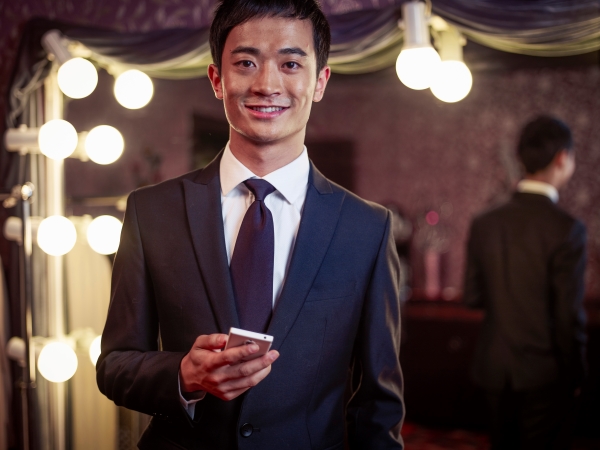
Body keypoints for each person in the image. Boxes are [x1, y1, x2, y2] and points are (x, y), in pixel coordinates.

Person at [96, 0, 405, 448]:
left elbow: (379, 404)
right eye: (246, 62)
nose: (267, 84)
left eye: (290, 63)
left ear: (319, 82)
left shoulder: (367, 228)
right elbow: (115, 365)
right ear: (217, 80)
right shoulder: (152, 211)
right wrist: (183, 374)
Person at [463, 115, 587, 450]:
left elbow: (472, 296)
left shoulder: (485, 221)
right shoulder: (567, 229)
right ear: (563, 158)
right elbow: (567, 316)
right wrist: (578, 375)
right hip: (543, 373)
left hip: (492, 368)